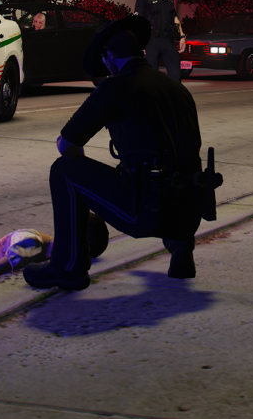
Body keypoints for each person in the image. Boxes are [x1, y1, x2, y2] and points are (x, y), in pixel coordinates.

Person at [23, 16, 211, 291]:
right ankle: (182, 251)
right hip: (189, 212)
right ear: (142, 53)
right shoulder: (178, 89)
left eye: (105, 61)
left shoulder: (115, 88)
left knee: (63, 170)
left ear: (110, 56)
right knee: (177, 164)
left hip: (147, 213)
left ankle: (67, 268)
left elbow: (66, 146)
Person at [133, 0, 182, 83]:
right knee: (151, 77)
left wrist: (182, 36)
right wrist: (140, 44)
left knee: (176, 76)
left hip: (168, 40)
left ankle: (173, 100)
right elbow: (137, 22)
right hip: (151, 41)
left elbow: (174, 16)